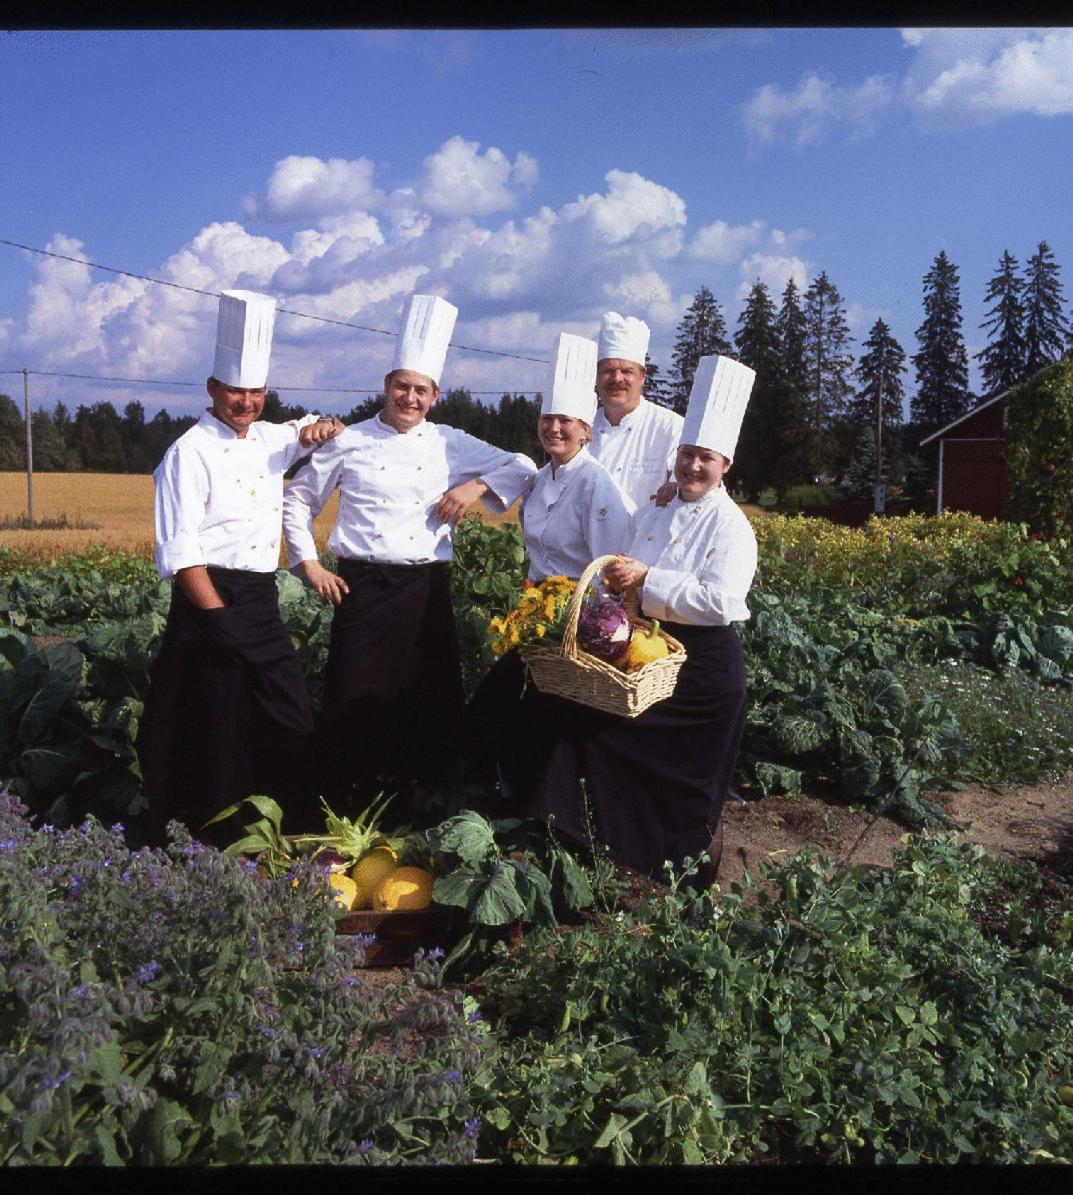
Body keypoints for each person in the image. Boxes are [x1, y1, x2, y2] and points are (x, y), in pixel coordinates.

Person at [500, 353, 758, 890]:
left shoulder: (733, 527)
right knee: (585, 730)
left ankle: (681, 864)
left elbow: (722, 602)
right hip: (648, 657)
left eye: (704, 458)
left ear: (725, 465)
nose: (691, 467)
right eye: (686, 454)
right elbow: (624, 572)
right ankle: (585, 843)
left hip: (704, 673)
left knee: (676, 778)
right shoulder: (655, 509)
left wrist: (646, 581)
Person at [282, 294, 537, 802]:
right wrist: (307, 564)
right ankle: (347, 799)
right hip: (363, 585)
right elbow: (298, 499)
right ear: (386, 386)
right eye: (402, 386)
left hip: (425, 589)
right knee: (354, 695)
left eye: (421, 390)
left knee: (427, 698)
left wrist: (476, 489)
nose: (410, 398)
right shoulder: (347, 440)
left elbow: (524, 466)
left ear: (436, 394)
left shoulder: (450, 442)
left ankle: (420, 805)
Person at [136, 289, 344, 845]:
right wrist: (218, 621)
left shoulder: (270, 438)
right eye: (235, 391)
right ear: (212, 389)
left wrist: (322, 427)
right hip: (210, 598)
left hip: (261, 599)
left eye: (255, 392)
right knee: (214, 724)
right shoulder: (188, 453)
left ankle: (291, 833)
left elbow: (304, 431)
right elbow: (183, 555)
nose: (246, 402)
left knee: (288, 714)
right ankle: (206, 844)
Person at [588, 311, 684, 511]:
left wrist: (676, 484)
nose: (617, 378)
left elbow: (686, 481)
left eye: (627, 371)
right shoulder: (583, 426)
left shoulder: (671, 427)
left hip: (647, 539)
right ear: (596, 376)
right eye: (608, 370)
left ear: (642, 377)